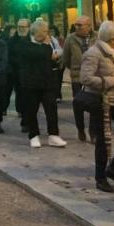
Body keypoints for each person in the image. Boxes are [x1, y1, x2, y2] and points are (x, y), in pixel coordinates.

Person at [80, 20, 114, 193]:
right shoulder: (94, 53)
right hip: (101, 101)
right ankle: (100, 177)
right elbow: (86, 78)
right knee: (103, 142)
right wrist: (112, 81)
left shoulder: (113, 52)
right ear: (112, 39)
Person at [18, 19, 67, 148]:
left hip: (47, 82)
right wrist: (46, 49)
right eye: (45, 31)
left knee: (51, 109)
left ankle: (53, 135)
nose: (47, 34)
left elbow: (48, 58)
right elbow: (38, 54)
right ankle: (33, 136)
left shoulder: (46, 44)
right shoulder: (25, 43)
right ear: (37, 32)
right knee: (32, 110)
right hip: (31, 84)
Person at [63, 16, 96, 141]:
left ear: (88, 26)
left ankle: (93, 133)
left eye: (80, 25)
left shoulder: (96, 37)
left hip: (94, 76)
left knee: (94, 105)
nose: (77, 27)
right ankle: (80, 129)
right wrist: (74, 69)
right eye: (76, 25)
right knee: (78, 103)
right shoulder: (70, 39)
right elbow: (66, 58)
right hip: (77, 77)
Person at [6, 18, 31, 125]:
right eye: (19, 27)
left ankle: (26, 118)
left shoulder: (32, 39)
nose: (21, 29)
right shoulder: (12, 41)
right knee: (20, 94)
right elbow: (8, 55)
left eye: (23, 27)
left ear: (28, 27)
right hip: (16, 72)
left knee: (28, 96)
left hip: (30, 73)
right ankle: (22, 114)